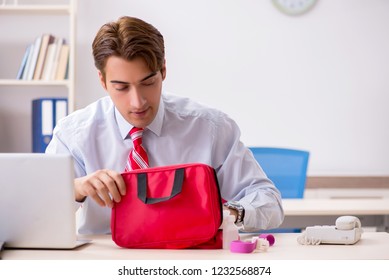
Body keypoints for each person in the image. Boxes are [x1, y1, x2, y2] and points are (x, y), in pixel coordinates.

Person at [46, 16, 284, 235]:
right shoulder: (74, 134)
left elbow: (269, 202)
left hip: (187, 259)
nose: (137, 102)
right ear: (103, 81)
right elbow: (34, 213)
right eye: (121, 87)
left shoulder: (211, 128)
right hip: (104, 262)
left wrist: (225, 213)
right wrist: (75, 189)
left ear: (163, 71)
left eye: (148, 82)